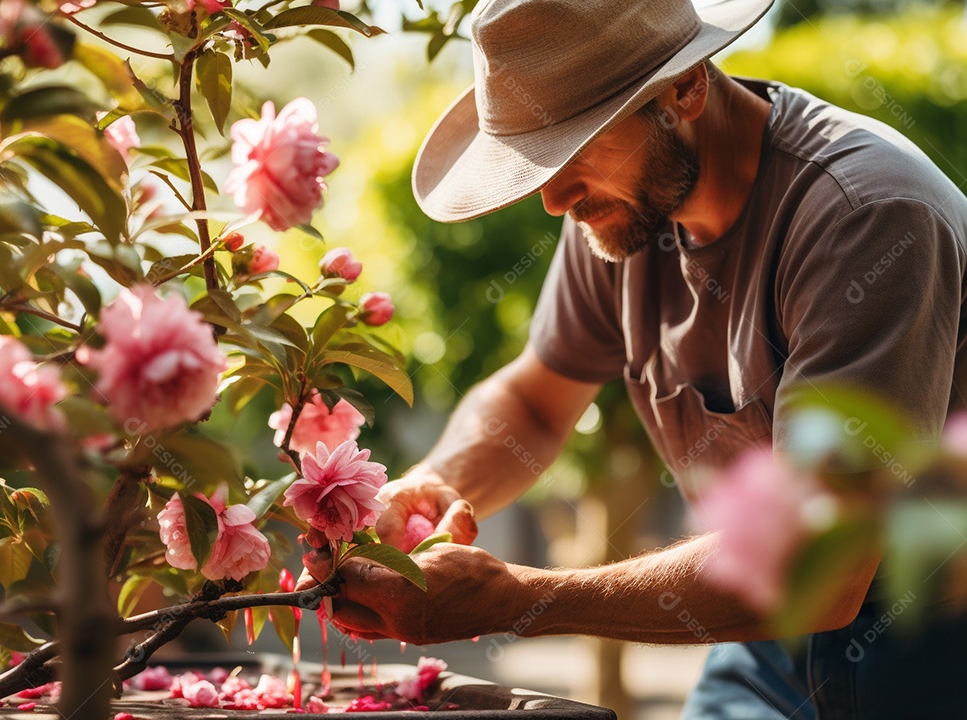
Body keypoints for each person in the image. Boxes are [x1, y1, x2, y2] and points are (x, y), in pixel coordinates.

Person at [303, 0, 967, 717]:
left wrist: (516, 600)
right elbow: (533, 400)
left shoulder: (863, 213)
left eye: (573, 148)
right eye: (538, 159)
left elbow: (822, 563)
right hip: (770, 642)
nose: (554, 199)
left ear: (685, 86)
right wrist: (432, 484)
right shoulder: (628, 208)